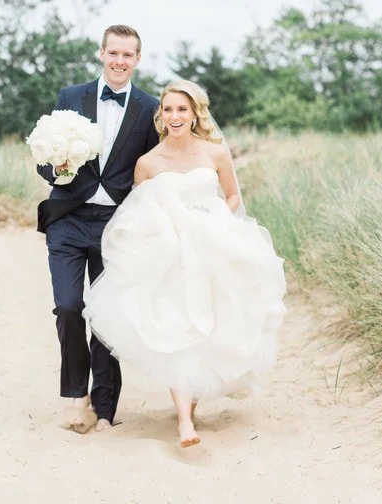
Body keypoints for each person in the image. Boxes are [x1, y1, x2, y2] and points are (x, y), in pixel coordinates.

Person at [82, 79, 286, 447]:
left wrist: (219, 224)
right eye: (169, 109)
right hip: (169, 257)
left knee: (208, 327)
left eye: (182, 109)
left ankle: (189, 412)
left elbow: (232, 194)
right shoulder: (147, 163)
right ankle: (183, 423)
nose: (175, 116)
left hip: (212, 250)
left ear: (195, 114)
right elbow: (137, 214)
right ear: (160, 115)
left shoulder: (215, 153)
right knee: (175, 329)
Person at [36, 25, 159, 433]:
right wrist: (56, 167)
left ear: (138, 59)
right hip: (69, 218)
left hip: (117, 226)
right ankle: (77, 394)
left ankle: (105, 407)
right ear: (101, 54)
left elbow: (153, 166)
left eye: (128, 55)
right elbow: (43, 158)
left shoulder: (149, 107)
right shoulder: (71, 97)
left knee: (108, 317)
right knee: (69, 307)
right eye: (113, 53)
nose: (120, 61)